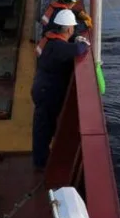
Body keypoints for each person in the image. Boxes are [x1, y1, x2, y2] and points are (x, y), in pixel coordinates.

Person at [32, 9, 89, 169]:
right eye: (73, 28)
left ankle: (42, 158)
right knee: (43, 128)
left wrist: (75, 39)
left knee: (44, 126)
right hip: (47, 91)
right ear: (69, 29)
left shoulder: (48, 39)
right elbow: (80, 49)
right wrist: (81, 41)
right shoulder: (59, 47)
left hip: (41, 86)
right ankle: (40, 162)